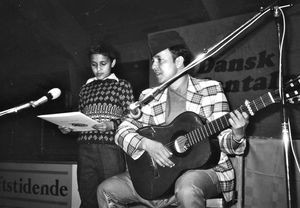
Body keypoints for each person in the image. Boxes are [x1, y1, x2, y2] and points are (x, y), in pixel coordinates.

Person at [97, 31, 249, 208]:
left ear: (178, 61)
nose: (154, 66)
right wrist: (146, 144)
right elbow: (121, 132)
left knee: (186, 188)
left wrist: (237, 135)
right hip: (159, 177)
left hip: (204, 171)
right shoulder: (149, 96)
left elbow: (223, 143)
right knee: (105, 190)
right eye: (153, 60)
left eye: (160, 60)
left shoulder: (210, 90)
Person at [58, 43, 135, 208]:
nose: (98, 69)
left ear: (112, 63)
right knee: (87, 196)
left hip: (110, 149)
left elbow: (132, 117)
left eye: (103, 64)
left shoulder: (122, 85)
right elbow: (80, 117)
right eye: (94, 65)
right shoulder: (85, 89)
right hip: (85, 148)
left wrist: (111, 125)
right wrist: (69, 127)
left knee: (112, 198)